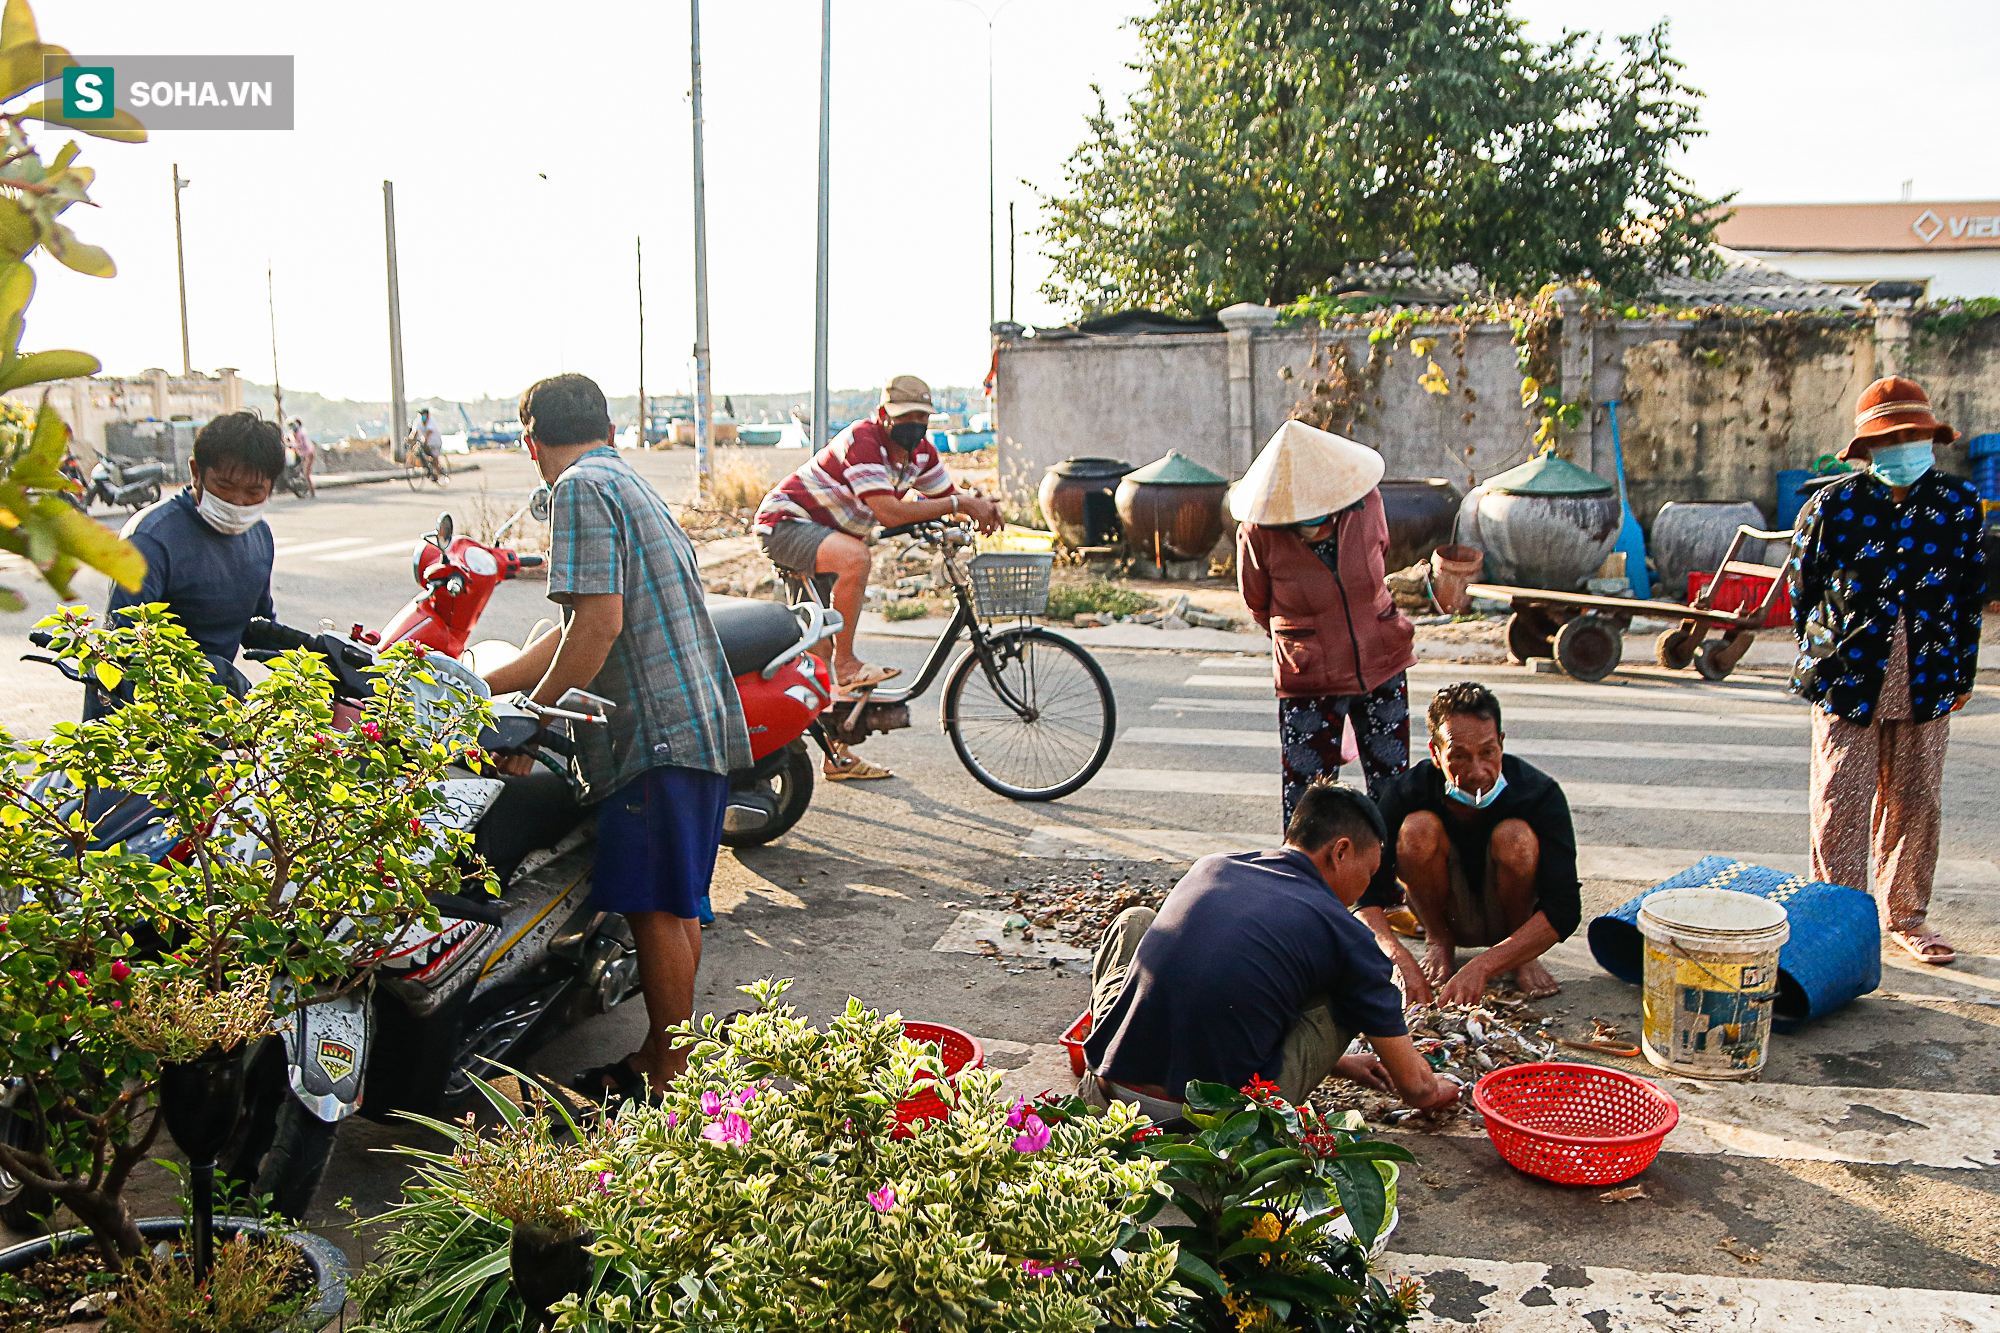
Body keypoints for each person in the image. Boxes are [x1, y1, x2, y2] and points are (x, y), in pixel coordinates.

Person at [481, 374, 752, 1098]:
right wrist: (490, 685)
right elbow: (581, 627)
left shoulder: (575, 489)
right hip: (696, 725)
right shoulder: (628, 483)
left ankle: (668, 1078)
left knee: (657, 906)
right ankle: (668, 1061)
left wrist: (533, 721)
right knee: (677, 901)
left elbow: (597, 626)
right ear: (604, 424)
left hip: (654, 735)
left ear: (531, 440)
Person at [1078, 781, 1461, 1122]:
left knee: (1138, 920)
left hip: (1111, 1095)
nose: (1365, 889)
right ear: (1340, 852)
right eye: (1369, 872)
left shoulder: (1211, 866)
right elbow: (1417, 1090)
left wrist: (1339, 1064)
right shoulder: (1344, 933)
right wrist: (1445, 1088)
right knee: (1353, 986)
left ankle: (1110, 1045)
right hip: (1214, 1123)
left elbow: (1224, 983)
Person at [1791, 376, 1984, 966]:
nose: (1902, 446)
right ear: (1867, 447)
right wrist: (1821, 659)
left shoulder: (1958, 504)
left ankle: (1906, 916)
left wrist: (1963, 675)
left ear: (1930, 439)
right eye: (1890, 437)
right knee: (1839, 796)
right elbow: (1804, 589)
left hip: (1929, 668)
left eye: (1912, 435)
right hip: (1848, 670)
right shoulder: (1833, 506)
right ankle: (1841, 922)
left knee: (1917, 794)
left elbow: (1970, 593)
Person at [753, 374, 1002, 780]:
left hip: (829, 534)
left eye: (923, 416)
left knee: (818, 652)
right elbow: (887, 510)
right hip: (786, 524)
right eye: (907, 416)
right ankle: (847, 665)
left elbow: (943, 499)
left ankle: (837, 756)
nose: (916, 424)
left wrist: (979, 507)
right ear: (884, 415)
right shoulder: (863, 440)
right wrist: (958, 504)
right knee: (856, 559)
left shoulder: (921, 451)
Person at [1235, 419, 1418, 827]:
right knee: (1307, 801)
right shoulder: (1258, 533)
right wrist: (1306, 640)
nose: (1311, 520)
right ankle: (1308, 887)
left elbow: (1380, 554)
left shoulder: (1367, 504)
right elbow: (1256, 602)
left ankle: (1385, 887)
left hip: (1381, 661)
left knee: (1392, 789)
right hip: (1308, 678)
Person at [1353, 682, 1580, 1004]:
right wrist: (1398, 959)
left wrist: (1484, 966)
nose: (1477, 772)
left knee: (1516, 836)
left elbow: (1565, 908)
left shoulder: (1540, 793)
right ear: (1435, 753)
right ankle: (1439, 942)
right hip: (1441, 913)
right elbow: (1363, 891)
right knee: (1417, 829)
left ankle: (1521, 955)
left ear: (1501, 743)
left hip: (1513, 918)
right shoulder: (1407, 791)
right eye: (1458, 756)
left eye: (1488, 752)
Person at [88, 411, 284, 718]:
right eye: (225, 485)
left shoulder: (259, 536)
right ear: (196, 472)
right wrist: (216, 674)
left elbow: (258, 627)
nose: (237, 502)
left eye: (254, 492)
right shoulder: (151, 539)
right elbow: (124, 649)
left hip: (211, 716)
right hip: (145, 721)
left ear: (271, 488)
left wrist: (313, 661)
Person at [410, 408, 443, 478]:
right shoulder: (417, 421)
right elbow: (414, 432)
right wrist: (411, 439)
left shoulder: (432, 422)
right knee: (419, 452)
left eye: (423, 414)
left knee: (434, 456)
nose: (421, 416)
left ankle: (437, 473)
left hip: (434, 442)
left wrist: (425, 439)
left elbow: (428, 433)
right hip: (424, 442)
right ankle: (426, 468)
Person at [287, 418, 315, 497]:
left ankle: (312, 492)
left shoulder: (301, 433)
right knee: (299, 472)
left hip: (308, 453)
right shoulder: (292, 434)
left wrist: (293, 445)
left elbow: (303, 444)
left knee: (306, 474)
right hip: (301, 454)